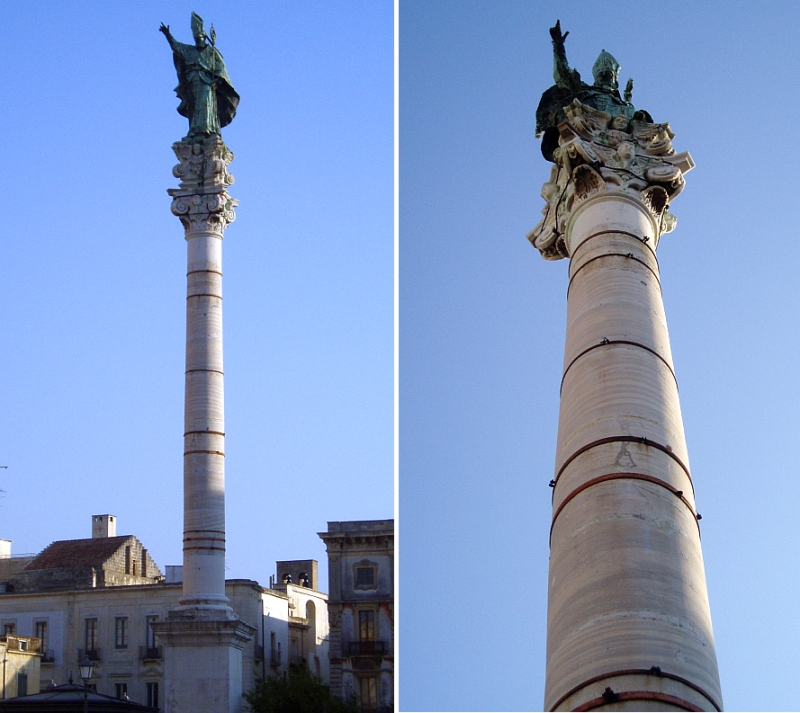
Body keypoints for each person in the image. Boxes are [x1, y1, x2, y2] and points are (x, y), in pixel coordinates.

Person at [160, 13, 240, 140]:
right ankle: (194, 131)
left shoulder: (212, 53)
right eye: (196, 39)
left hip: (206, 83)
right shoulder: (190, 51)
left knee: (206, 106)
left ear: (204, 37)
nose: (198, 41)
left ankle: (209, 129)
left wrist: (217, 80)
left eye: (200, 38)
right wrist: (167, 35)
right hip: (192, 82)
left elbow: (221, 69)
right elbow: (177, 47)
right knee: (193, 107)